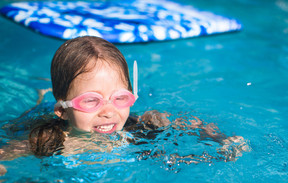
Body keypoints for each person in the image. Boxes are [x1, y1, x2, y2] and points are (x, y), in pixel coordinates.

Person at [1, 36, 248, 160]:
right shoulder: (45, 140)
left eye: (119, 97)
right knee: (34, 108)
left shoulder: (140, 127)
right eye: (91, 100)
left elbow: (188, 122)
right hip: (43, 117)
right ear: (63, 111)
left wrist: (219, 138)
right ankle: (42, 93)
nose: (108, 111)